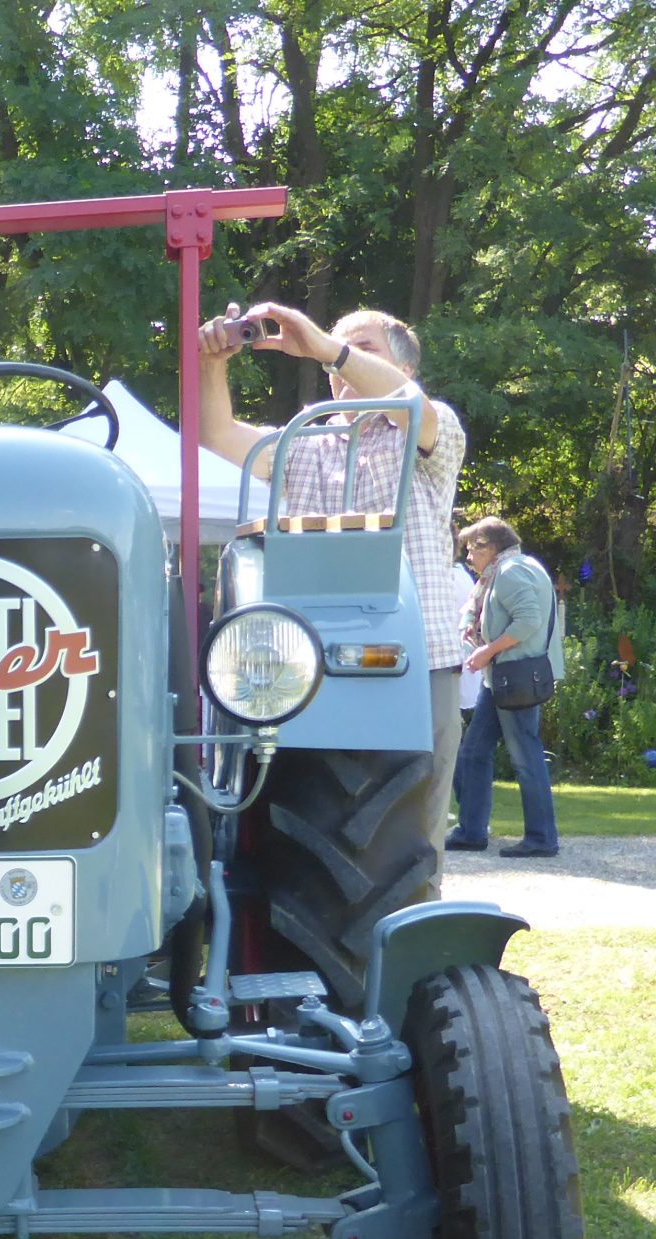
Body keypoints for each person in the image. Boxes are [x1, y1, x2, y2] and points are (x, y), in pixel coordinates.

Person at [195, 303, 472, 855]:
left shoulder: (427, 427)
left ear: (404, 370)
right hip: (317, 665)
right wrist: (212, 363)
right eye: (336, 359)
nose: (341, 365)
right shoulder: (305, 443)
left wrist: (324, 346)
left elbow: (409, 406)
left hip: (420, 663)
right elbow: (217, 434)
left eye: (364, 350)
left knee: (414, 839)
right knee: (306, 828)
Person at [447, 515, 560, 857]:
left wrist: (487, 650)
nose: (468, 557)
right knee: (474, 751)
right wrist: (479, 635)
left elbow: (528, 620)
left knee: (525, 756)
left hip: (514, 677)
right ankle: (471, 831)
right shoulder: (513, 568)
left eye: (473, 549)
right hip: (501, 678)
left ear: (490, 547)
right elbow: (494, 612)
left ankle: (542, 838)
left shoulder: (510, 572)